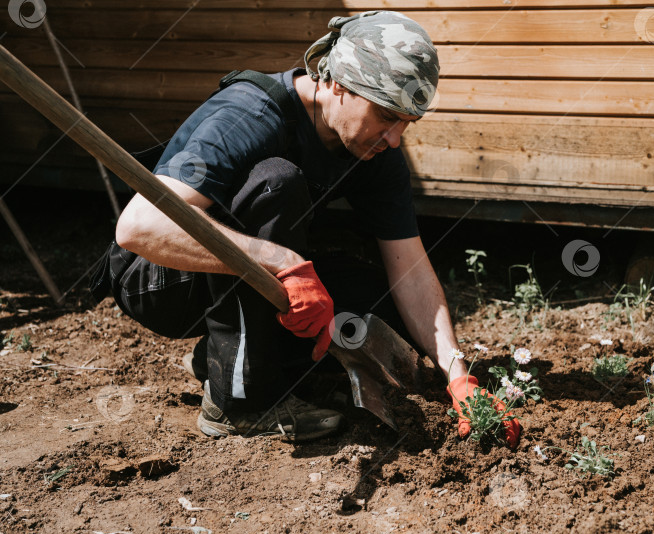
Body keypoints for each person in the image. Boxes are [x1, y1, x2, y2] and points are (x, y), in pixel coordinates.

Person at [92, 11, 520, 447]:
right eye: (386, 115)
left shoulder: (376, 149)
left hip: (230, 276)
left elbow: (409, 264)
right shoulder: (250, 113)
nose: (394, 138)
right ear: (339, 84)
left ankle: (219, 358)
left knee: (375, 307)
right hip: (157, 279)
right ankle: (239, 403)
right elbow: (139, 228)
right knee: (277, 184)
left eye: (406, 123)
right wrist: (282, 261)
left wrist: (457, 373)